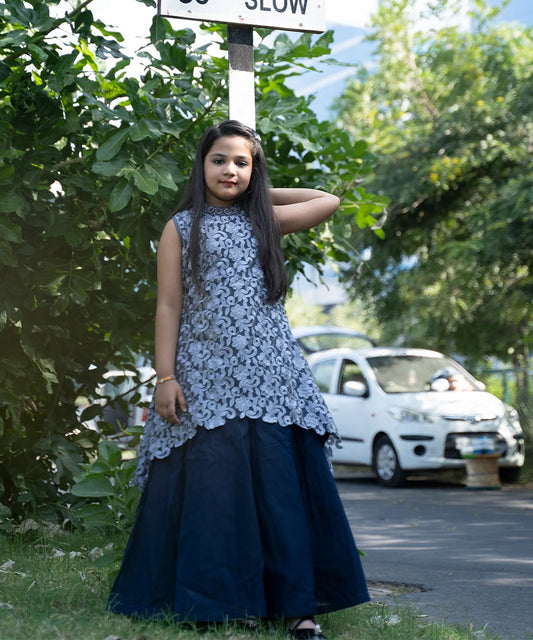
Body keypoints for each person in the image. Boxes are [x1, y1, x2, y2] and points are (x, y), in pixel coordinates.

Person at [108, 120, 369, 637]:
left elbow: (329, 199)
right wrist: (165, 377)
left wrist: (260, 189)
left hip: (274, 382)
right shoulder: (181, 227)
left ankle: (299, 611)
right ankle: (227, 604)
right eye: (219, 160)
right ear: (200, 166)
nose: (230, 170)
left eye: (242, 163)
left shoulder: (264, 221)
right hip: (206, 381)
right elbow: (167, 306)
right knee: (218, 495)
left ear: (256, 172)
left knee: (280, 494)